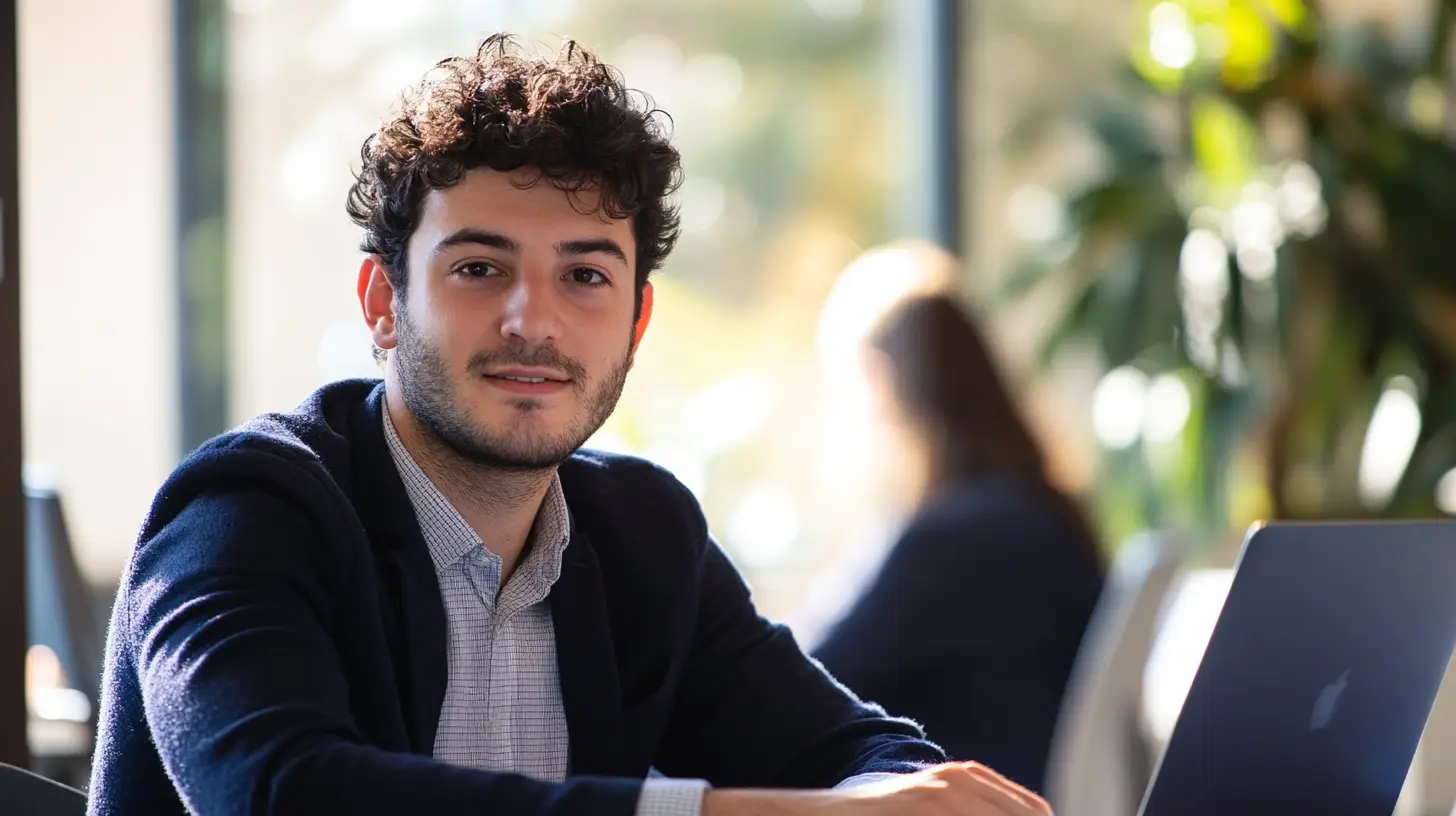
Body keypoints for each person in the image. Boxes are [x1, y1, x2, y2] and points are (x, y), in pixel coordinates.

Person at [86, 35, 1052, 816]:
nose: (534, 321)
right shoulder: (247, 512)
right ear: (382, 303)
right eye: (479, 268)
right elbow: (281, 792)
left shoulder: (643, 536)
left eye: (585, 275)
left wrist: (903, 799)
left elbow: (856, 753)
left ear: (635, 323)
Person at [812, 289, 1107, 794]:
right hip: (1027, 789)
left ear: (884, 384)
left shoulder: (950, 537)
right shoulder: (1040, 512)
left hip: (975, 793)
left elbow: (808, 683)